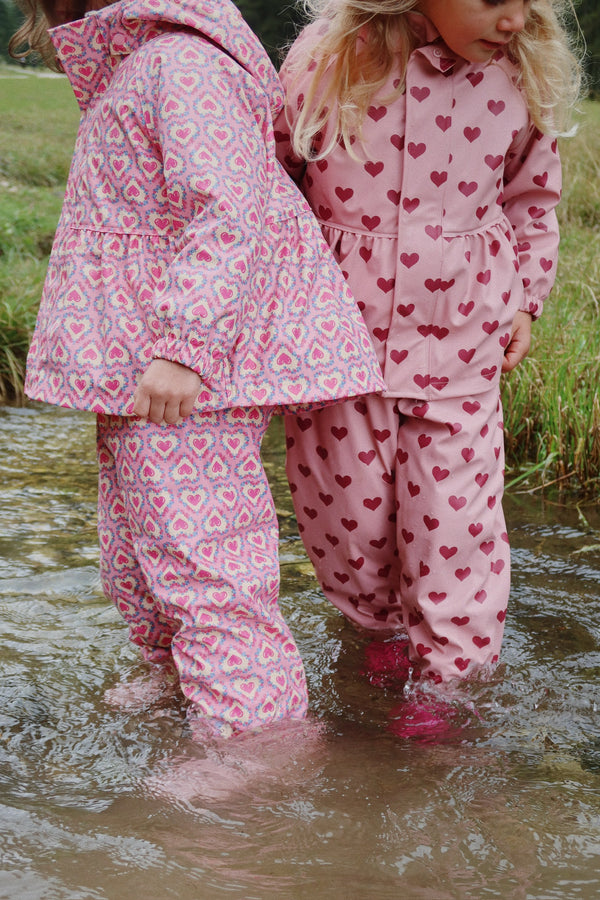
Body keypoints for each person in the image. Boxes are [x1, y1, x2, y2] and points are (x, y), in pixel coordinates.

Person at [10, 0, 385, 741]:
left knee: (205, 559)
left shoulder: (181, 63)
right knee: (137, 540)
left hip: (187, 372)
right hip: (141, 369)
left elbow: (227, 209)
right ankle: (177, 670)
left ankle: (256, 740)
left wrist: (186, 346)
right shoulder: (139, 66)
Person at [275, 0, 583, 728]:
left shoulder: (514, 75)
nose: (514, 18)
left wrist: (524, 301)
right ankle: (379, 644)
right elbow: (275, 174)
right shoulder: (328, 58)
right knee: (349, 529)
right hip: (336, 349)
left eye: (529, 1)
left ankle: (447, 695)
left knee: (457, 531)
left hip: (462, 345)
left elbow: (532, 197)